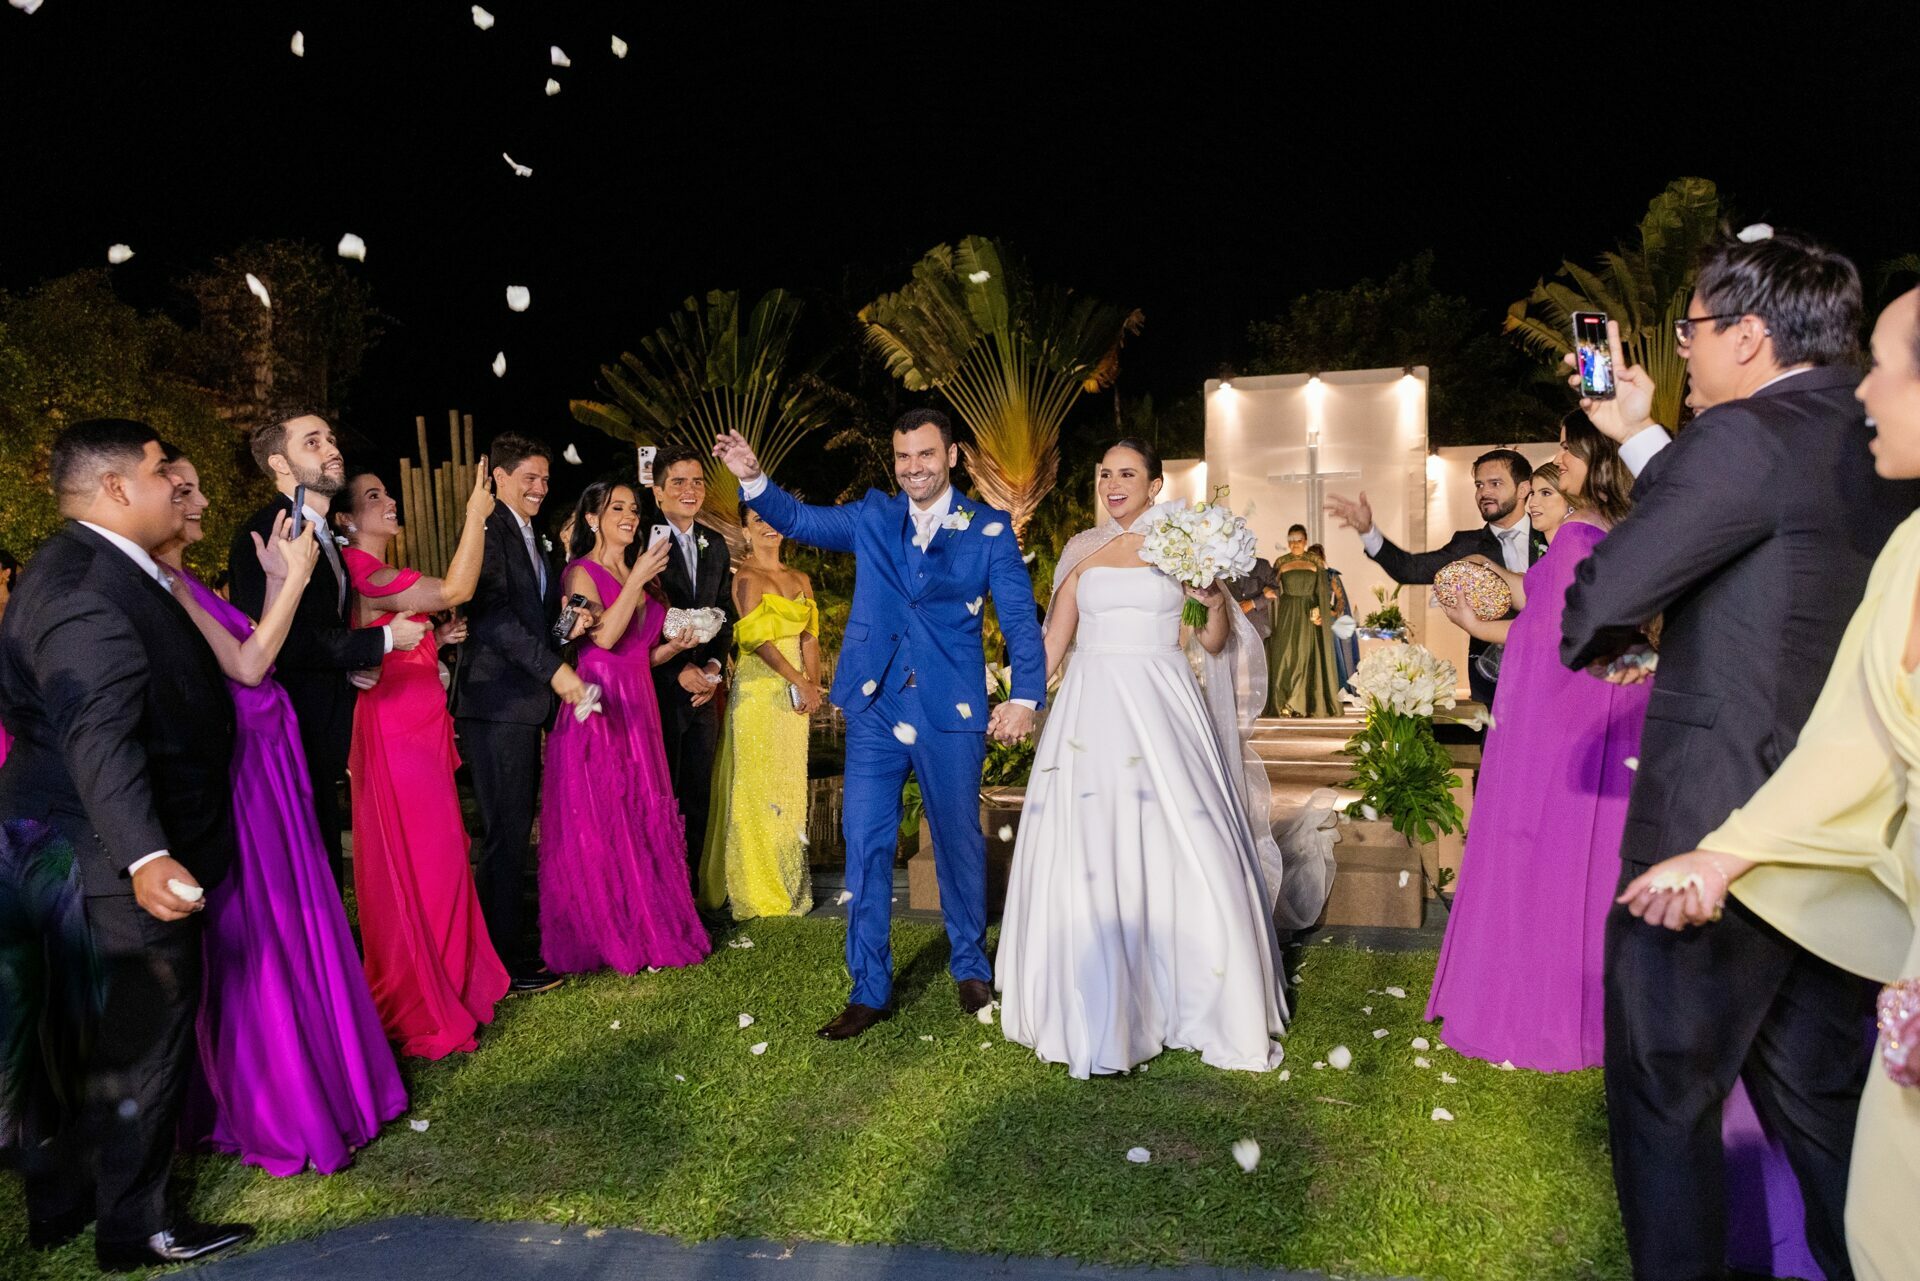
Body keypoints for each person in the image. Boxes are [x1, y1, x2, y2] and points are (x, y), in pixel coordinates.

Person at [1560, 228, 1920, 1281]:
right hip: (1840, 839)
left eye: (1691, 331)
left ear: (1750, 336)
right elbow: (1779, 558)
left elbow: (1601, 600)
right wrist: (1643, 438)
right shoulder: (1874, 439)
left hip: (1713, 822)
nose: (1681, 351)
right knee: (1826, 1107)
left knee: (1665, 1100)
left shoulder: (1744, 437)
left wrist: (1639, 622)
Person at [0, 419, 253, 1269]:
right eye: (158, 471)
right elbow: (96, 729)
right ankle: (134, 1224)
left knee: (67, 1029)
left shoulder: (73, 563)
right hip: (107, 849)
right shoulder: (86, 586)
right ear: (115, 487)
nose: (174, 484)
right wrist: (145, 853)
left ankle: (61, 1202)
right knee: (143, 1034)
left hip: (55, 830)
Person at [713, 409, 1047, 1040]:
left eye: (926, 454)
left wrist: (1026, 695)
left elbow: (1020, 619)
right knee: (865, 841)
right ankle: (869, 988)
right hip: (875, 707)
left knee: (957, 840)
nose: (913, 468)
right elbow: (800, 519)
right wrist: (754, 479)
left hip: (949, 710)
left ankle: (970, 967)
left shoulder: (989, 528)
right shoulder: (872, 515)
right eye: (903, 457)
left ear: (951, 456)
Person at [995, 439, 1316, 1078]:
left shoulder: (1182, 545)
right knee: (1091, 843)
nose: (1113, 484)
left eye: (1127, 473)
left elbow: (1212, 640)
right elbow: (1053, 641)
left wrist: (1213, 600)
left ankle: (1200, 991)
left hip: (1162, 703)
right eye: (1104, 473)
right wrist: (1022, 700)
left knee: (1190, 839)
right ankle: (1100, 998)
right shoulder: (1081, 550)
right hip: (1089, 709)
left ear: (1154, 484)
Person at [157, 452, 406, 1176]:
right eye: (183, 490)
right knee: (267, 934)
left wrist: (273, 584)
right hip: (245, 783)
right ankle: (282, 1098)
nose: (201, 501)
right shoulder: (168, 587)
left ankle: (328, 1070)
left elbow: (252, 640)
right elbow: (249, 665)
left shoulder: (189, 581)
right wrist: (293, 578)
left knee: (302, 925)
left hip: (271, 772)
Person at [1422, 425, 1647, 1070]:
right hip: (1601, 705)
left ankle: (1535, 1002)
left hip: (1561, 712)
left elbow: (1550, 635)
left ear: (1596, 461)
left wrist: (1478, 621)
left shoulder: (1576, 535)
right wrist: (1492, 592)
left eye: (1569, 451)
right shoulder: (1612, 530)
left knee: (1539, 843)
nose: (1558, 459)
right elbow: (1543, 602)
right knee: (1586, 851)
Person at [336, 465, 512, 1058]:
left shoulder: (376, 572)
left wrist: (439, 641)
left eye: (385, 491)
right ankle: (420, 992)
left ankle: (452, 979)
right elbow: (455, 589)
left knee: (444, 856)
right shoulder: (363, 570)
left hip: (419, 726)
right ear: (345, 519)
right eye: (373, 496)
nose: (388, 500)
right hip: (395, 735)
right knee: (425, 862)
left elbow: (401, 640)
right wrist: (475, 517)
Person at [228, 409, 428, 887]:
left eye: (331, 439)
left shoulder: (322, 533)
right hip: (289, 729)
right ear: (279, 463)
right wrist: (384, 640)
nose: (332, 448)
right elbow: (285, 643)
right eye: (312, 442)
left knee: (324, 858)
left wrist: (355, 665)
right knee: (303, 868)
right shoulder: (269, 531)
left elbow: (323, 626)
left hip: (325, 726)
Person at [539, 481, 712, 973]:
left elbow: (640, 654)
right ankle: (608, 929)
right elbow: (606, 637)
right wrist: (635, 579)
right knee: (605, 814)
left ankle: (651, 919)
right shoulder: (581, 572)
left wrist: (675, 647)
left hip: (640, 701)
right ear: (592, 518)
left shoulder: (642, 575)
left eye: (634, 508)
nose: (630, 516)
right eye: (617, 508)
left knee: (642, 809)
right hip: (598, 702)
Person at [451, 433, 587, 995]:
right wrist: (555, 672)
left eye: (546, 479)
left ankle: (510, 944)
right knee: (505, 832)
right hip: (496, 701)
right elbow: (492, 618)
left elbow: (535, 621)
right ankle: (502, 963)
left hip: (527, 702)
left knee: (515, 826)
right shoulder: (488, 530)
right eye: (529, 477)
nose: (540, 488)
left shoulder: (538, 538)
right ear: (499, 477)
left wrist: (568, 626)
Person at [1326, 449, 1540, 707]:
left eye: (1495, 483)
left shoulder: (1553, 535)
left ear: (1523, 489)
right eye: (1479, 485)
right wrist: (1368, 531)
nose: (1484, 493)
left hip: (1554, 662)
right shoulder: (1467, 545)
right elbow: (1410, 569)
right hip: (1492, 672)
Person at [699, 504, 820, 919]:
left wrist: (812, 684)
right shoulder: (746, 578)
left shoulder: (800, 578)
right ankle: (757, 889)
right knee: (757, 791)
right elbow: (756, 642)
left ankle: (788, 880)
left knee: (788, 789)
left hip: (794, 697)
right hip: (759, 696)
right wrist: (798, 679)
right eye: (758, 520)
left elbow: (809, 637)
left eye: (772, 518)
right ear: (745, 530)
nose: (769, 526)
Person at [648, 445, 735, 889]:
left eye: (697, 481)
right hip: (656, 688)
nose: (690, 490)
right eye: (679, 482)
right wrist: (678, 670)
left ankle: (692, 895)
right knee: (661, 792)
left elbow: (724, 612)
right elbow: (641, 616)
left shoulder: (714, 543)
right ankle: (660, 891)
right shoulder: (643, 542)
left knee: (698, 793)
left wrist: (714, 668)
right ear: (658, 491)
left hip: (704, 689)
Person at [1265, 524, 1341, 717]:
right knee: (1284, 656)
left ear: (1305, 541)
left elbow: (1322, 591)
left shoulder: (1315, 561)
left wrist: (1322, 613)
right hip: (1287, 613)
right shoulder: (1281, 562)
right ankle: (1282, 701)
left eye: (1298, 540)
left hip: (1308, 613)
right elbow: (1272, 587)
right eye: (1291, 540)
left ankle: (1297, 704)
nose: (1294, 544)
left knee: (1304, 657)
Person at [1310, 543, 1360, 690]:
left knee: (1331, 654)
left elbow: (1340, 601)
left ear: (1322, 558)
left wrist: (1331, 612)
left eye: (1317, 557)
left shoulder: (1331, 575)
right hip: (1310, 620)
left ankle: (1336, 689)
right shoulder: (1305, 576)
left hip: (1328, 620)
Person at [1226, 553, 1278, 642]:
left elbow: (1276, 591)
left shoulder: (1262, 565)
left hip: (1258, 627)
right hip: (1232, 624)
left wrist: (1253, 603)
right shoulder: (1225, 566)